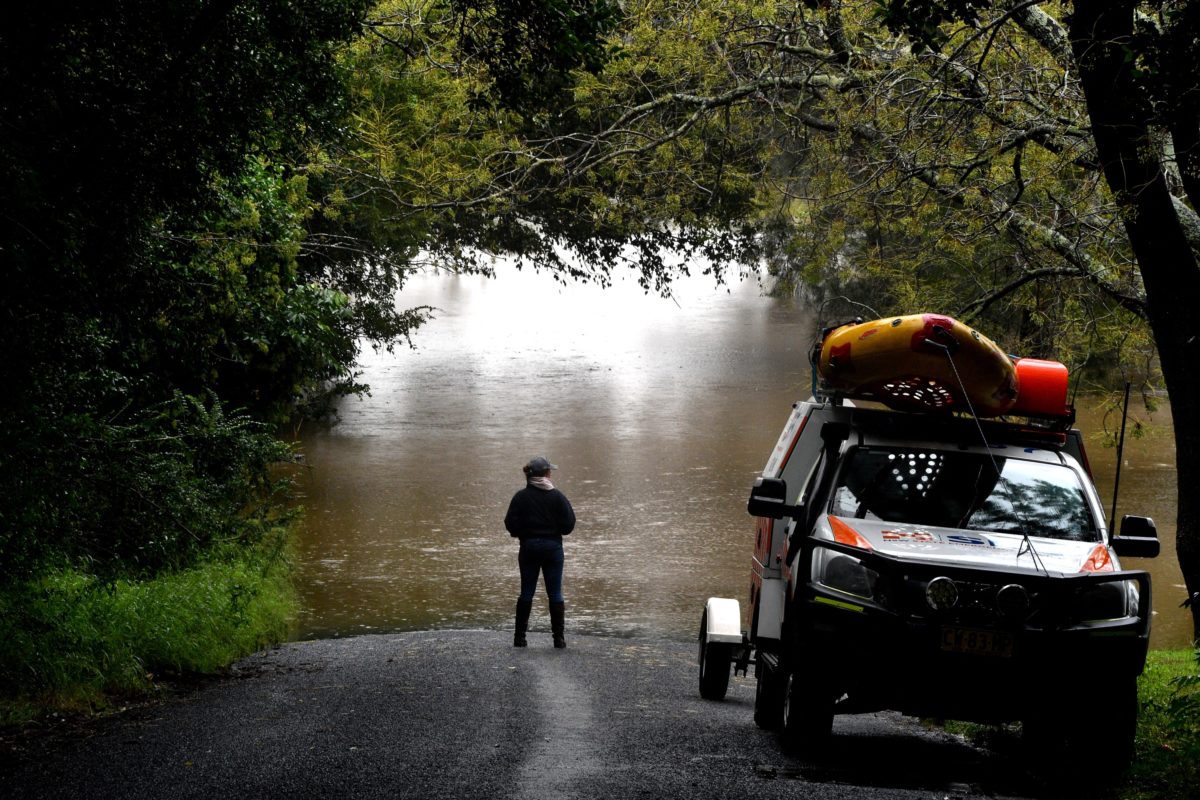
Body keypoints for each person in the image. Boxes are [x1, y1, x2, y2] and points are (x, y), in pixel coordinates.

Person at [504, 456, 576, 648]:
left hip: (529, 548)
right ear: (546, 474)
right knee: (555, 594)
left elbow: (509, 523)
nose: (551, 473)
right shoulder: (557, 496)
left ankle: (519, 638)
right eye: (549, 471)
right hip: (553, 548)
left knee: (526, 592)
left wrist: (522, 534)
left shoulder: (520, 497)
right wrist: (555, 530)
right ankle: (558, 639)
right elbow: (569, 524)